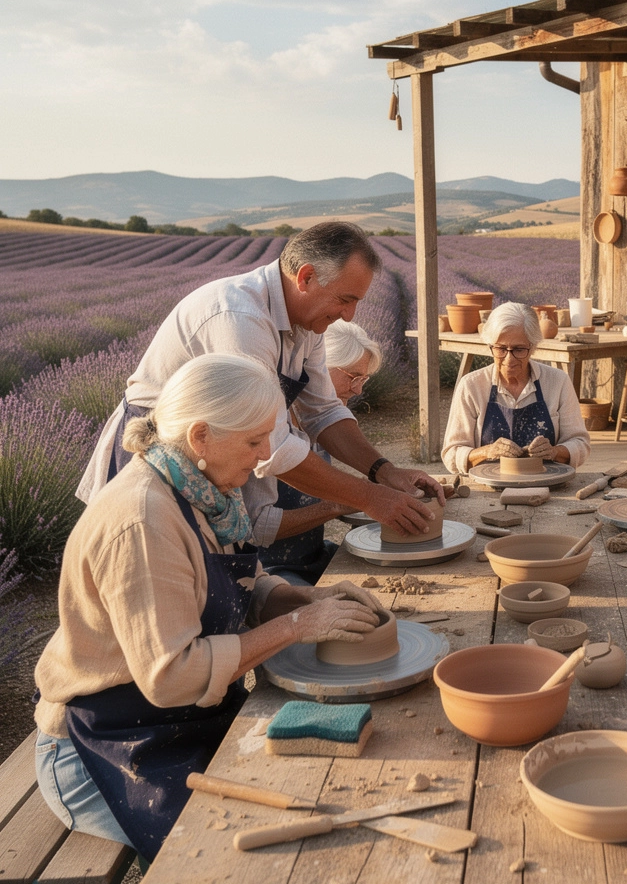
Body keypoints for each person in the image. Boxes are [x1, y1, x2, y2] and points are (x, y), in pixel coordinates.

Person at [34, 354, 388, 861]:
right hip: (108, 743)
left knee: (316, 788)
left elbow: (247, 582)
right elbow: (171, 676)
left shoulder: (203, 490)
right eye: (252, 441)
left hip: (182, 719)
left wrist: (307, 597)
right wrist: (296, 626)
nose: (265, 455)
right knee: (246, 854)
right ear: (200, 436)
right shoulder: (143, 521)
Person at [76, 221, 441, 536]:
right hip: (158, 458)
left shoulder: (307, 323)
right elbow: (274, 448)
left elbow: (324, 412)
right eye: (345, 299)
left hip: (211, 456)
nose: (349, 316)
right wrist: (368, 498)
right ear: (306, 277)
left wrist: (384, 472)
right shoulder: (240, 317)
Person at [243, 321, 384, 584]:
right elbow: (257, 527)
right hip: (267, 570)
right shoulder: (266, 431)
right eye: (353, 376)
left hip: (312, 556)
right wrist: (343, 502)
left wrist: (382, 491)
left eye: (363, 379)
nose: (359, 389)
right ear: (320, 366)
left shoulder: (321, 426)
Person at [441, 302, 590, 474]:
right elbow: (451, 454)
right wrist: (486, 452)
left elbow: (580, 443)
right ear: (490, 346)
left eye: (519, 349)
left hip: (545, 481)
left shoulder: (558, 382)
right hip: (489, 486)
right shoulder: (471, 386)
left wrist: (555, 452)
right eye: (501, 349)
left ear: (533, 347)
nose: (509, 359)